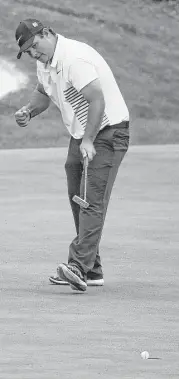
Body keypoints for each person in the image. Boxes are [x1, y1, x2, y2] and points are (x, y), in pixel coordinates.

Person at [15, 18, 130, 292]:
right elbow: (43, 92)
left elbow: (97, 100)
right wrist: (29, 111)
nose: (33, 53)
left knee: (90, 199)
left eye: (34, 46)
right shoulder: (46, 62)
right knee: (77, 197)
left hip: (108, 131)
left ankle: (78, 266)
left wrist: (89, 140)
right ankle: (92, 269)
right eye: (28, 51)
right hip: (83, 134)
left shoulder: (74, 58)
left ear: (47, 33)